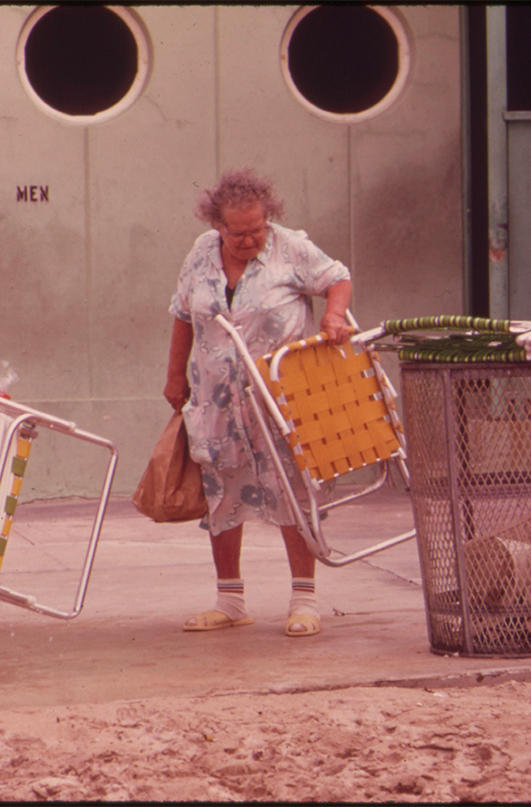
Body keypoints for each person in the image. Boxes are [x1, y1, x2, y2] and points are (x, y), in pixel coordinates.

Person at [164, 168, 353, 638]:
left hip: (279, 398)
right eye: (237, 232)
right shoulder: (201, 252)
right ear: (216, 225)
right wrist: (173, 376)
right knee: (222, 492)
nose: (249, 240)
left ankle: (304, 598)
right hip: (215, 399)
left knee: (292, 489)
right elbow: (183, 314)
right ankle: (229, 599)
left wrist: (333, 312)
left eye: (257, 229)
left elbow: (338, 278)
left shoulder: (290, 247)